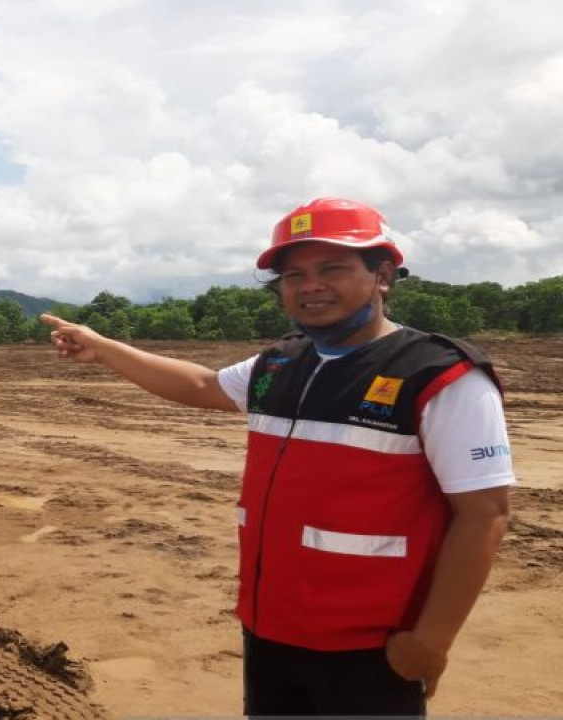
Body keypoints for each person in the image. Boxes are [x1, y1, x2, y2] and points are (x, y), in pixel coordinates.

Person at [41, 197, 514, 717]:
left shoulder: (439, 376)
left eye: (331, 268)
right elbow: (202, 384)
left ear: (383, 275)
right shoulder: (281, 363)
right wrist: (101, 347)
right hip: (270, 628)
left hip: (371, 647)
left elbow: (484, 512)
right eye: (293, 275)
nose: (309, 285)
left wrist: (432, 641)